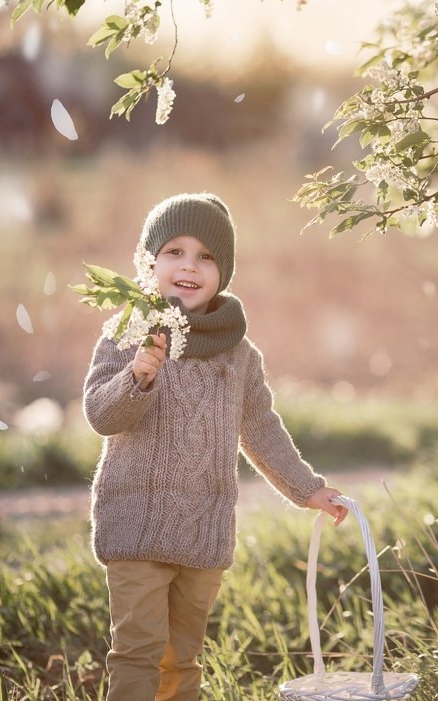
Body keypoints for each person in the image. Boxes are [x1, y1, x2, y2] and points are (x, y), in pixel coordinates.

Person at [82, 192, 347, 700]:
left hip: (203, 534)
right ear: (148, 261)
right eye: (175, 251)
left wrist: (306, 489)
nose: (189, 266)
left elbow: (261, 428)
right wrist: (138, 375)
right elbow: (100, 414)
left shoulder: (239, 353)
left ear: (223, 271)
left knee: (182, 660)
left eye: (206, 257)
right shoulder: (129, 331)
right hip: (136, 524)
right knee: (136, 653)